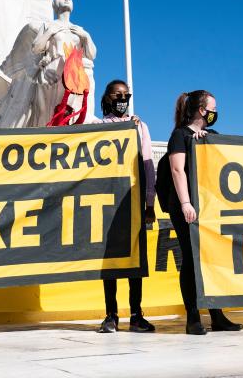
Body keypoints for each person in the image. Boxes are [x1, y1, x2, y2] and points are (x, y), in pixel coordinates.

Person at [156, 90, 242, 335]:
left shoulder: (210, 135)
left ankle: (217, 315)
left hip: (208, 206)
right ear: (202, 110)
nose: (216, 112)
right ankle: (193, 317)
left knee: (211, 259)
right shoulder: (179, 135)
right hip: (187, 206)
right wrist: (185, 203)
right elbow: (177, 170)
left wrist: (207, 143)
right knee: (192, 260)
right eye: (213, 108)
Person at [90, 80, 156, 333]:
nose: (122, 98)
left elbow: (148, 164)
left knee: (135, 259)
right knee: (110, 262)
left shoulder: (139, 127)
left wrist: (150, 203)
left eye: (126, 94)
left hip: (133, 201)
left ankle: (137, 315)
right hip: (106, 202)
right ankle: (111, 315)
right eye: (117, 94)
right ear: (107, 98)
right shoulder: (97, 126)